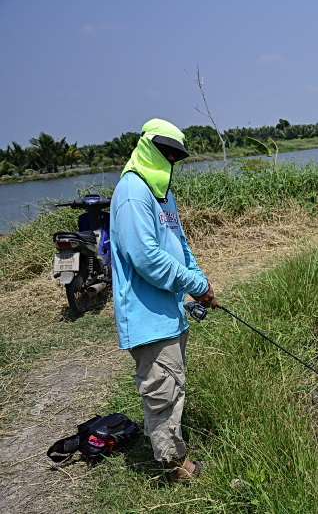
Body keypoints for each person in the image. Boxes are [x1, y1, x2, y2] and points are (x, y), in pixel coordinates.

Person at [110, 118, 219, 482]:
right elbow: (147, 259)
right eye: (165, 152)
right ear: (147, 147)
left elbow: (180, 246)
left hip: (170, 313)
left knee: (175, 385)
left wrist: (200, 281)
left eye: (176, 155)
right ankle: (174, 468)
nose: (170, 160)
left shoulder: (162, 194)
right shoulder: (132, 193)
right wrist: (192, 283)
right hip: (147, 317)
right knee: (162, 392)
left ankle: (173, 453)